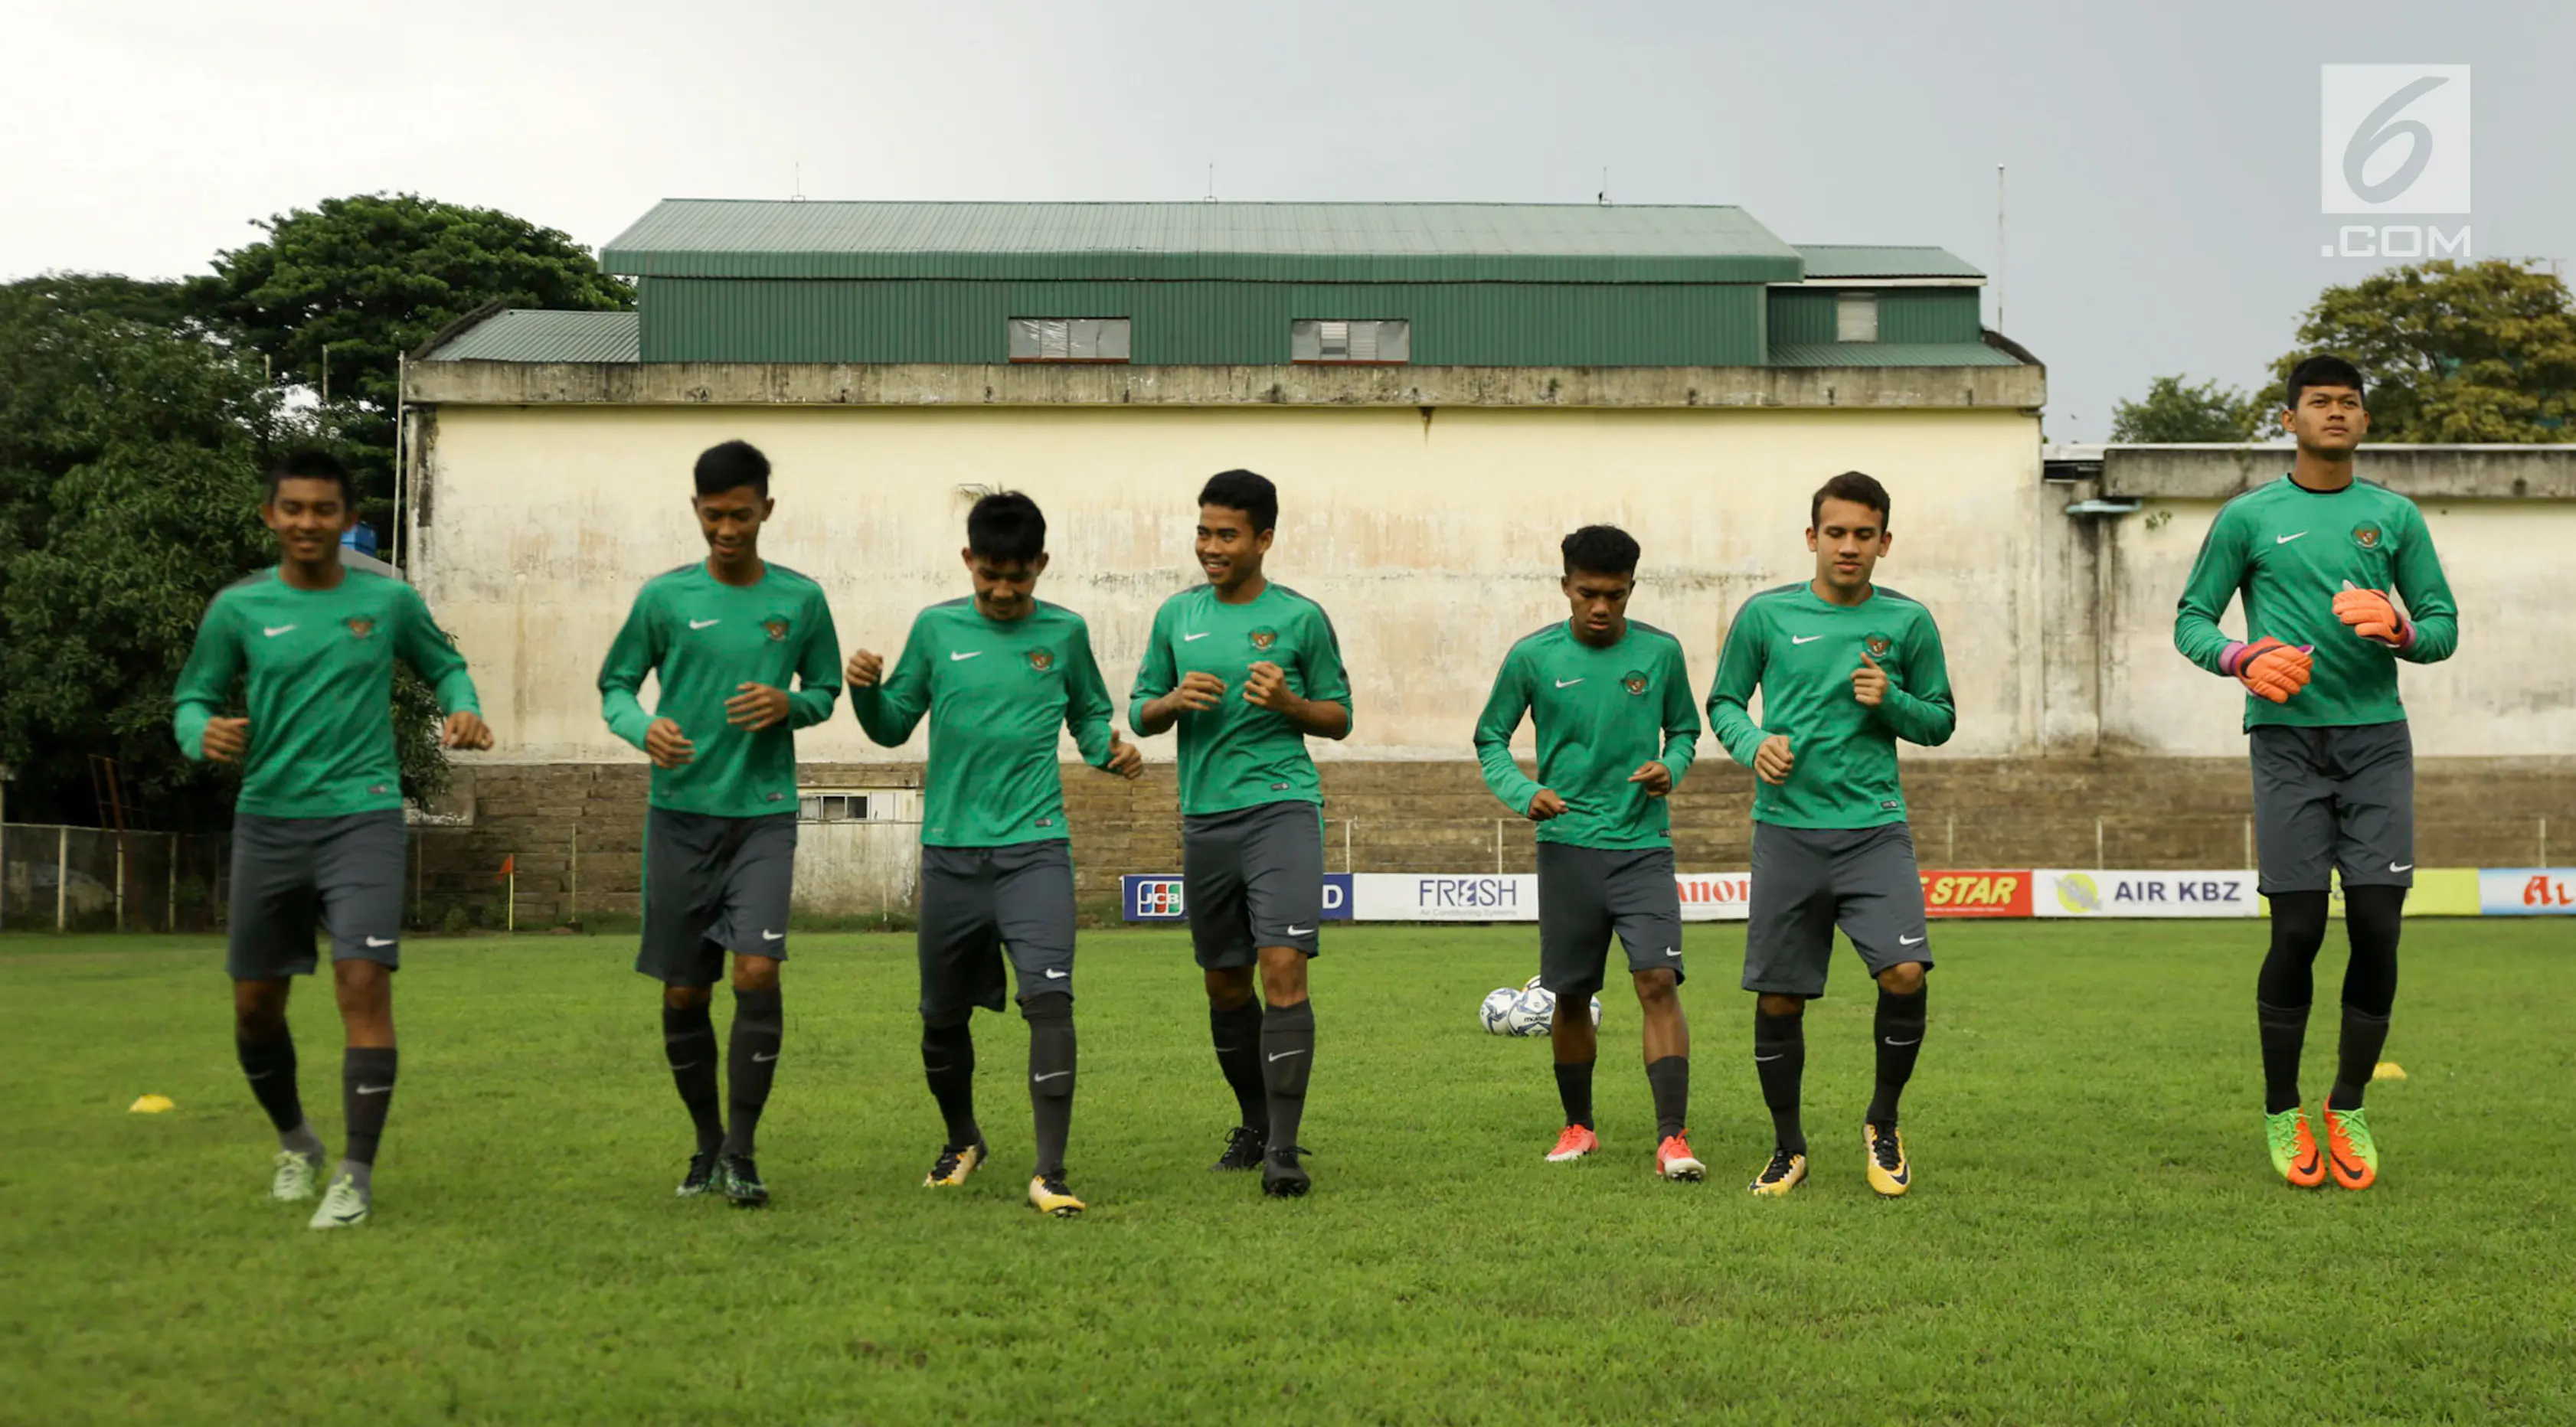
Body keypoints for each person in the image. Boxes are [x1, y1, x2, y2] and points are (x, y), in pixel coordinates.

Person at [173, 449, 492, 1230]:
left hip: (364, 814)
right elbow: (193, 696)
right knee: (255, 1005)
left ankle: (355, 1172)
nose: (308, 523)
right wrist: (198, 734)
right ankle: (296, 1142)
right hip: (270, 818)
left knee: (362, 984)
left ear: (349, 521)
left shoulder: (386, 602)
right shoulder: (237, 609)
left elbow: (445, 665)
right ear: (270, 517)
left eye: (324, 510)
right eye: (294, 509)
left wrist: (462, 705)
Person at [2172, 354, 2457, 1192]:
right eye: (2319, 402)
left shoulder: (2393, 517)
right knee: (2295, 931)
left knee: (2377, 925)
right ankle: (2279, 1107)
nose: (2335, 413)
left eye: (2349, 403)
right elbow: (2191, 620)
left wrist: (2403, 631)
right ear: (2288, 419)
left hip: (2376, 743)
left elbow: (2442, 625)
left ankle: (2346, 1103)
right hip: (2286, 743)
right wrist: (2238, 654)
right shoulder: (2248, 519)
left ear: (2365, 421)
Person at [845, 491, 1143, 1217]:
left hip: (1035, 849)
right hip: (951, 854)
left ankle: (1051, 1172)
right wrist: (863, 693)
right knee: (942, 1017)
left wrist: (1108, 748)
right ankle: (962, 1140)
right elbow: (890, 729)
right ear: (968, 562)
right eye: (990, 576)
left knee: (1051, 1001)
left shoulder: (1065, 634)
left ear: (1040, 565)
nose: (1005, 591)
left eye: (1019, 576)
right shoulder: (935, 630)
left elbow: (1090, 713)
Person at [597, 439, 842, 1208]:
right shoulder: (664, 599)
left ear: (767, 507)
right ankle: (705, 1142)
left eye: (741, 515)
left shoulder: (799, 600)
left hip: (763, 815)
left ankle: (742, 1149)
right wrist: (643, 728)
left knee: (757, 971)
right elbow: (614, 687)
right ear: (695, 510)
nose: (727, 530)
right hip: (678, 818)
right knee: (683, 994)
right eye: (713, 516)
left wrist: (790, 704)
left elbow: (827, 687)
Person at [1705, 471, 1954, 1198]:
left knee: (1905, 974)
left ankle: (1883, 1121)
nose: (1849, 547)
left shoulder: (1908, 623)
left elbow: (1939, 721)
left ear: (1885, 542)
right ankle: (1788, 1147)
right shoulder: (1766, 616)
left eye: (1864, 534)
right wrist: (1753, 743)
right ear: (1812, 538)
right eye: (1836, 533)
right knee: (1780, 998)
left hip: (1875, 830)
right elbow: (1724, 702)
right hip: (1787, 834)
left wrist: (1893, 701)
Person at [1129, 469, 1352, 1197]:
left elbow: (1339, 717)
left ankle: (1284, 1150)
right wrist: (1171, 700)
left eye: (1227, 534)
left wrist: (1289, 701)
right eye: (1203, 532)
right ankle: (1255, 1123)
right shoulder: (1176, 617)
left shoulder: (1301, 619)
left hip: (1283, 806)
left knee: (1282, 968)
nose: (1211, 547)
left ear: (1264, 539)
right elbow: (1138, 714)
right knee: (1225, 982)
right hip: (1206, 816)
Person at [1473, 525, 1705, 1179]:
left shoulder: (1660, 654)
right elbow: (1490, 738)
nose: (1601, 608)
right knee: (1570, 995)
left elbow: (1685, 727)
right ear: (1565, 586)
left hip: (1642, 846)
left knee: (1657, 981)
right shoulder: (1532, 657)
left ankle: (1673, 1139)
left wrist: (1672, 766)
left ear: (1632, 589)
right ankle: (1579, 1127)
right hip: (1568, 848)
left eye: (1615, 595)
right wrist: (1525, 792)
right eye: (1587, 594)